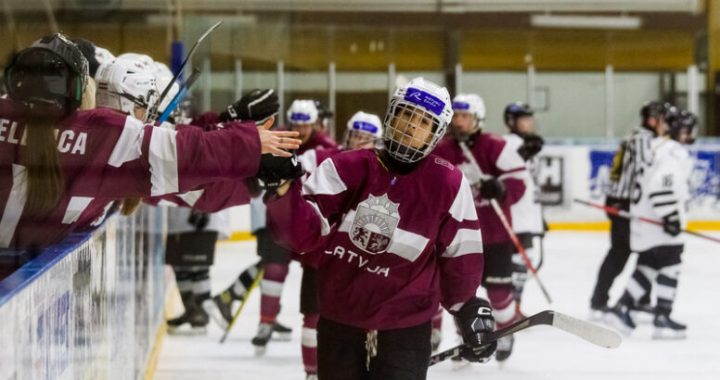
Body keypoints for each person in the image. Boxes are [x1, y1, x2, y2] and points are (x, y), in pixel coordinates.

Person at [0, 34, 301, 279]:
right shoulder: (104, 137)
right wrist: (244, 145)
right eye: (148, 110)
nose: (155, 119)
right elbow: (184, 156)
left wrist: (226, 128)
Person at [266, 78, 496, 380]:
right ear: (392, 114)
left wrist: (468, 307)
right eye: (407, 114)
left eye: (424, 122)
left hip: (407, 325)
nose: (412, 126)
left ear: (436, 133)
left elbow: (460, 256)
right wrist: (284, 191)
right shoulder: (345, 166)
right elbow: (302, 236)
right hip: (340, 316)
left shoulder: (449, 183)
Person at [211, 98, 339, 356]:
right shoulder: (276, 137)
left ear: (315, 123)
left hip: (306, 221)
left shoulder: (326, 147)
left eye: (306, 124)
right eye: (296, 123)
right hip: (274, 216)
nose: (300, 130)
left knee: (277, 266)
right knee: (274, 268)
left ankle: (232, 297)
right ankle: (265, 322)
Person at [433, 93, 527, 363]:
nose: (460, 122)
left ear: (478, 119)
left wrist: (500, 187)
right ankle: (467, 339)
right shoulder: (443, 148)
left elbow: (519, 178)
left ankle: (506, 331)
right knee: (461, 295)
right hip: (458, 237)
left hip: (494, 235)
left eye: (466, 116)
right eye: (457, 116)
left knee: (499, 293)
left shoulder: (494, 145)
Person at [294, 110, 383, 380]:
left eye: (366, 138)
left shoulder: (382, 171)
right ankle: (312, 373)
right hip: (319, 257)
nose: (359, 141)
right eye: (356, 135)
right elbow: (297, 168)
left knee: (359, 321)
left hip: (359, 260)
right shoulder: (323, 158)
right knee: (313, 316)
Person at [608, 109, 696, 339]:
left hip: (644, 221)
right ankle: (661, 315)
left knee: (649, 266)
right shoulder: (674, 153)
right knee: (671, 263)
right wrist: (671, 217)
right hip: (658, 222)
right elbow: (661, 188)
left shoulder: (656, 146)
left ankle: (624, 307)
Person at [589, 101, 675, 318]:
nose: (668, 125)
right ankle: (599, 302)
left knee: (645, 250)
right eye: (665, 120)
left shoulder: (639, 136)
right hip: (623, 204)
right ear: (653, 119)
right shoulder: (642, 139)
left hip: (625, 202)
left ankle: (638, 298)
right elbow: (646, 171)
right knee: (620, 253)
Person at [501, 102, 545, 312]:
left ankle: (513, 305)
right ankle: (510, 307)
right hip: (515, 215)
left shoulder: (528, 143)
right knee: (519, 262)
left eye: (530, 119)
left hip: (527, 215)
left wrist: (539, 217)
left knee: (523, 262)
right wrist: (522, 154)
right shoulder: (509, 143)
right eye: (523, 119)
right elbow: (503, 172)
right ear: (511, 122)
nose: (529, 123)